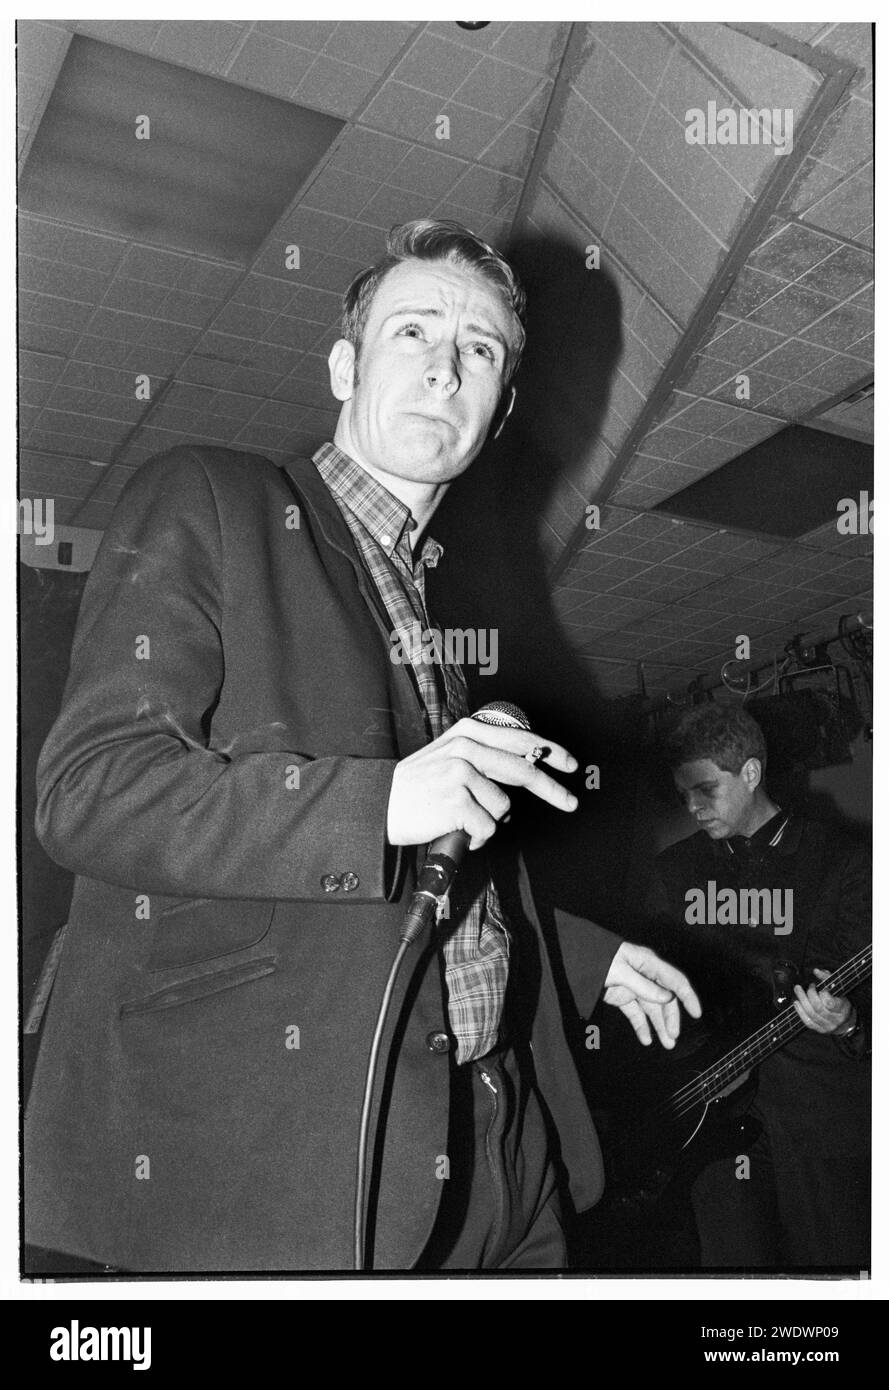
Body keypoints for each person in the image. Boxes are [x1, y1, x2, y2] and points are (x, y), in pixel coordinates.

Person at [26, 219, 700, 1274]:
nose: (444, 364)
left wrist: (585, 957)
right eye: (412, 331)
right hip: (295, 1165)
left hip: (499, 1152)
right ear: (345, 365)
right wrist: (384, 802)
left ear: (500, 408)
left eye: (478, 349)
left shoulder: (439, 612)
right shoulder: (213, 500)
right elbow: (90, 792)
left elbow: (431, 886)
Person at [646, 703, 870, 1270]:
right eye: (683, 796)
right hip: (711, 1119)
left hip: (819, 1122)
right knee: (733, 1271)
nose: (693, 808)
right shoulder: (673, 873)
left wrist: (849, 1022)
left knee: (829, 1272)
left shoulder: (843, 859)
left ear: (750, 773)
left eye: (705, 790)